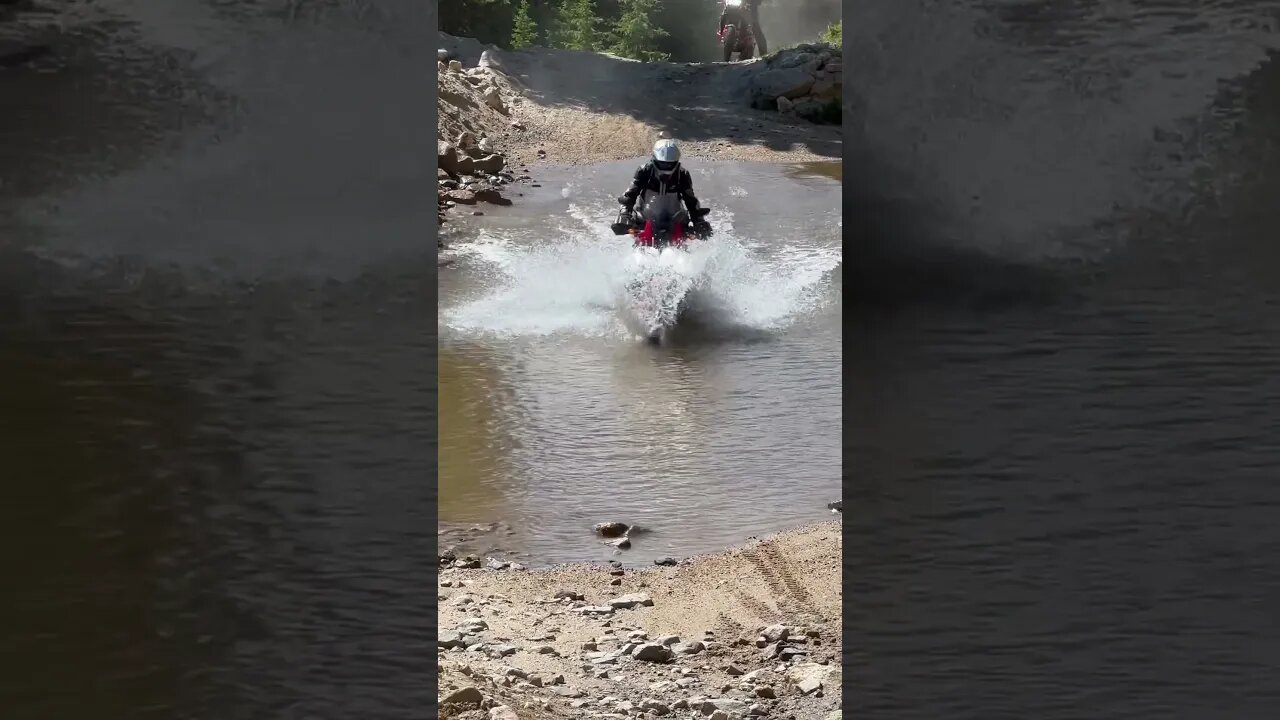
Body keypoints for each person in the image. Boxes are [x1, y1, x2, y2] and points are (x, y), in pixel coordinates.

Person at [617, 138, 703, 224]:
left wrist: (699, 220)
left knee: (698, 228)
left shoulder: (682, 174)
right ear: (654, 159)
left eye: (669, 163)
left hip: (676, 218)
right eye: (662, 163)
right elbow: (629, 195)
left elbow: (690, 199)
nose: (666, 166)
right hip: (645, 217)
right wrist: (624, 214)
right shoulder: (644, 171)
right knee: (628, 226)